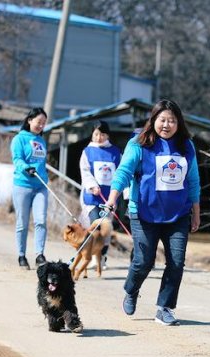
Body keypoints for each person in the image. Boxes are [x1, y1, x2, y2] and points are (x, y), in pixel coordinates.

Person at [105, 99, 201, 326]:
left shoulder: (186, 146)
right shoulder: (139, 144)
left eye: (172, 121)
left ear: (179, 123)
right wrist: (112, 199)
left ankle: (165, 308)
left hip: (177, 213)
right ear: (153, 120)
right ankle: (131, 289)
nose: (166, 125)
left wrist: (196, 212)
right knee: (143, 261)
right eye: (162, 120)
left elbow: (194, 180)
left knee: (176, 263)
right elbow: (123, 173)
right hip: (143, 212)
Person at [10, 107, 49, 270]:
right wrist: (27, 168)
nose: (41, 126)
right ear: (29, 120)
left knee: (40, 220)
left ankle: (39, 254)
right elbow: (17, 159)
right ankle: (21, 255)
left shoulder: (41, 140)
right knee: (22, 223)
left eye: (44, 123)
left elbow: (42, 162)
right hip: (23, 185)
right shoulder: (19, 139)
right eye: (39, 122)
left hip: (41, 186)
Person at [79, 120, 121, 269]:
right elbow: (85, 171)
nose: (99, 137)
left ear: (107, 135)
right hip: (92, 197)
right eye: (96, 134)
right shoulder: (87, 151)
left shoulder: (115, 152)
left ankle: (101, 257)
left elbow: (120, 174)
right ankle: (89, 256)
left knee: (106, 228)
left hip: (108, 198)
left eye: (102, 134)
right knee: (95, 225)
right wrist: (92, 185)